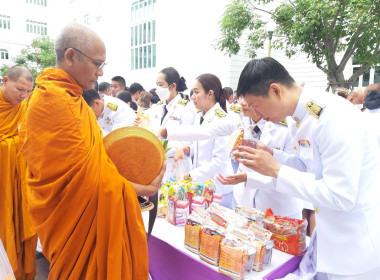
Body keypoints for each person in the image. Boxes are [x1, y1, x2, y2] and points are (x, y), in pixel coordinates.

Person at [19, 23, 165, 279]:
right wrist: (145, 190)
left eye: (103, 65)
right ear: (71, 56)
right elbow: (89, 184)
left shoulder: (70, 99)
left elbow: (93, 164)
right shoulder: (55, 102)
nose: (99, 73)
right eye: (97, 63)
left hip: (81, 222)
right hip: (74, 224)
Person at [233, 57, 380, 279]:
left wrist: (277, 170)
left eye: (255, 105)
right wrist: (274, 155)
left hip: (353, 247)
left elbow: (340, 195)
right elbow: (308, 167)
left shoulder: (331, 117)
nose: (258, 114)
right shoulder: (299, 117)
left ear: (275, 91)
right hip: (328, 237)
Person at [174, 74, 234, 207]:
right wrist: (186, 149)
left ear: (210, 94)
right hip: (202, 185)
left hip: (218, 188)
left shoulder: (221, 119)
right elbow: (200, 145)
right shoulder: (200, 115)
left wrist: (190, 176)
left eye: (196, 92)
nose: (192, 96)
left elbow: (219, 161)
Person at [0, 66, 36, 280]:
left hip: (21, 184)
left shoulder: (25, 108)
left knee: (20, 227)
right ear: (5, 80)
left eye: (27, 92)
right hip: (2, 185)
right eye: (19, 89)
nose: (23, 96)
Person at [145, 67, 196, 182]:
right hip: (156, 164)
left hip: (176, 164)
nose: (157, 89)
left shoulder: (186, 108)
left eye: (161, 85)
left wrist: (160, 147)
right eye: (156, 85)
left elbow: (187, 141)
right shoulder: (157, 107)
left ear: (173, 86)